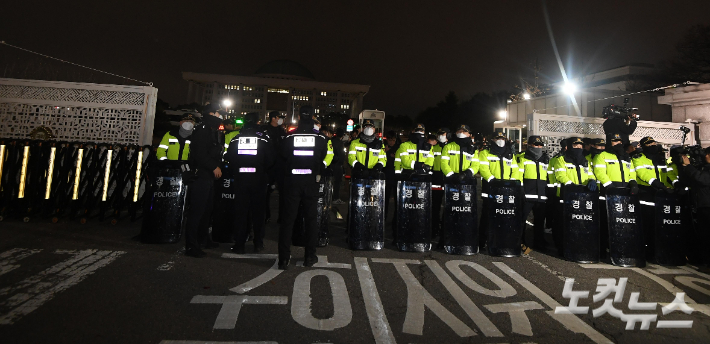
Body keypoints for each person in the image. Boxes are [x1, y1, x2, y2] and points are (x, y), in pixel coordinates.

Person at [278, 105, 328, 269]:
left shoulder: (290, 136)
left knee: (288, 221)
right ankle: (309, 257)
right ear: (313, 117)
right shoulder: (320, 138)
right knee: (311, 220)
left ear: (299, 117)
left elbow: (284, 156)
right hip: (311, 182)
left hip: (292, 182)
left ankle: (284, 259)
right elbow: (323, 157)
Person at [224, 112, 275, 253]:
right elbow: (271, 160)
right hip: (258, 179)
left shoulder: (237, 138)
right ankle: (258, 243)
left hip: (241, 179)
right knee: (258, 213)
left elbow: (229, 156)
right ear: (257, 122)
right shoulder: (263, 139)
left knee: (241, 212)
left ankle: (239, 244)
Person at [184, 104, 226, 258]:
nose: (220, 116)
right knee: (197, 212)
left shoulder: (212, 130)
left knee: (207, 211)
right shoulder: (202, 130)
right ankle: (191, 245)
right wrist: (214, 166)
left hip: (208, 176)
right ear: (210, 114)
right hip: (201, 175)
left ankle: (203, 239)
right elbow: (200, 153)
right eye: (217, 113)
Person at [593, 132, 639, 258]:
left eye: (619, 141)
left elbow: (631, 172)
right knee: (605, 224)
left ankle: (619, 249)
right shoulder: (602, 156)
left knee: (621, 224)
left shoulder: (626, 157)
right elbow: (599, 172)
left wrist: (633, 183)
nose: (618, 143)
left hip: (623, 196)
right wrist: (609, 186)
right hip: (607, 195)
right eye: (615, 141)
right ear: (610, 142)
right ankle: (602, 250)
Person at [553, 137, 597, 254]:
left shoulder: (585, 160)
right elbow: (560, 175)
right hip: (566, 195)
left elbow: (590, 174)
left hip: (582, 197)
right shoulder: (561, 159)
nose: (578, 147)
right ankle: (562, 247)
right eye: (575, 145)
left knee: (580, 223)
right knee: (564, 223)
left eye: (580, 146)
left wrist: (592, 180)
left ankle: (578, 246)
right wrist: (571, 185)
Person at [478, 130, 521, 250]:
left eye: (502, 139)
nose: (500, 141)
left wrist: (511, 182)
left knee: (502, 217)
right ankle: (482, 241)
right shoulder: (486, 153)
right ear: (493, 140)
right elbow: (483, 168)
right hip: (490, 190)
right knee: (487, 217)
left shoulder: (509, 154)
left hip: (506, 191)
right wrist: (493, 181)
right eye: (498, 138)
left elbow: (515, 170)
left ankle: (499, 240)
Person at [632, 136, 673, 260]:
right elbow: (643, 175)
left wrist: (675, 185)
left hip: (661, 194)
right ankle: (644, 252)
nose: (653, 145)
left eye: (654, 143)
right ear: (644, 146)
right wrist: (660, 185)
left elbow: (669, 174)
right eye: (649, 144)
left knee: (659, 225)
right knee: (646, 224)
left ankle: (657, 251)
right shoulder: (638, 159)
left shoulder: (661, 160)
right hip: (646, 194)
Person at [439, 125, 479, 247]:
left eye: (464, 131)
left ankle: (463, 239)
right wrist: (452, 175)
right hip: (452, 183)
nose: (461, 133)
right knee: (449, 211)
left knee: (465, 212)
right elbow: (444, 162)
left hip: (467, 185)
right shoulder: (449, 146)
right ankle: (444, 240)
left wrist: (467, 174)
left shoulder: (473, 149)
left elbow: (475, 165)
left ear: (469, 134)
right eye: (459, 131)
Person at [517, 136, 550, 252]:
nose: (538, 147)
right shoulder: (522, 158)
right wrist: (521, 191)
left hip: (541, 196)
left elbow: (549, 178)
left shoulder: (546, 159)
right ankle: (520, 242)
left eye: (540, 145)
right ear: (529, 145)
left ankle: (539, 243)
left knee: (540, 222)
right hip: (527, 195)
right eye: (535, 145)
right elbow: (518, 176)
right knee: (521, 220)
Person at [680, 148, 710, 268]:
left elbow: (702, 179)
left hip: (707, 206)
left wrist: (688, 166)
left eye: (707, 154)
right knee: (703, 235)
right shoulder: (704, 167)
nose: (706, 156)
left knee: (707, 235)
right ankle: (703, 259)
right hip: (702, 205)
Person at [263, 111, 287, 223]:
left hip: (281, 165)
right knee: (265, 192)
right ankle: (265, 215)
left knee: (283, 192)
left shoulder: (281, 130)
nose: (280, 119)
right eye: (278, 117)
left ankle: (282, 217)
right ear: (273, 118)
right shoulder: (265, 130)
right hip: (268, 165)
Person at [546, 139, 567, 249]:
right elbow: (553, 176)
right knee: (557, 218)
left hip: (557, 191)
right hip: (557, 191)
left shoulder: (557, 158)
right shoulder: (558, 159)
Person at [431, 128, 451, 240]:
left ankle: (445, 229)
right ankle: (434, 230)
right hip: (437, 178)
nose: (440, 136)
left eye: (442, 134)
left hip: (448, 178)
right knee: (435, 205)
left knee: (449, 206)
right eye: (438, 134)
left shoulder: (451, 148)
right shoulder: (434, 148)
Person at [383, 130, 401, 220]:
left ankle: (396, 217)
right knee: (385, 198)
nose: (392, 142)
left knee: (397, 199)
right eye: (390, 140)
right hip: (386, 176)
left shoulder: (398, 148)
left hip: (396, 177)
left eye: (393, 140)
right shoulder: (383, 147)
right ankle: (384, 216)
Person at [328, 127, 346, 204]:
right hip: (338, 165)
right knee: (337, 182)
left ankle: (329, 197)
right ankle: (336, 198)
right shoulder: (340, 143)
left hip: (331, 164)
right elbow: (342, 155)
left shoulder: (332, 141)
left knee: (330, 182)